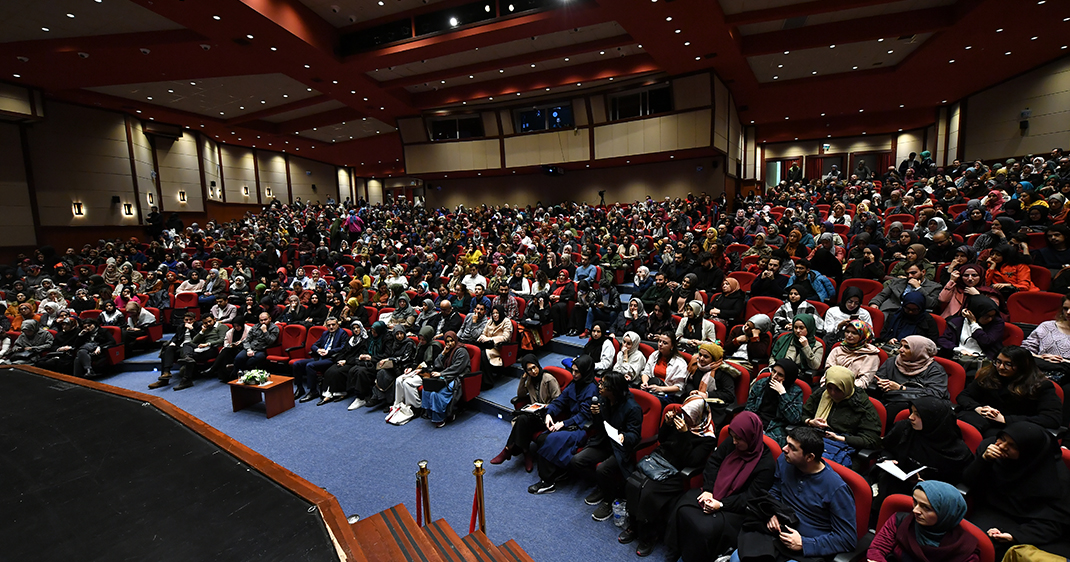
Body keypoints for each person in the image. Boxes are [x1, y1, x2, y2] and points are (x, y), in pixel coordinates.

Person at [730, 426, 857, 562]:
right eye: (787, 444)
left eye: (792, 448)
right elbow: (776, 490)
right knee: (736, 559)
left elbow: (847, 539)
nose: (784, 449)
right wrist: (771, 512)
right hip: (778, 532)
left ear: (809, 457)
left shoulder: (836, 488)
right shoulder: (785, 461)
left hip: (808, 546)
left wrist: (805, 544)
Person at [619, 396, 720, 557]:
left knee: (648, 492)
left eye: (688, 416)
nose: (684, 417)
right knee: (633, 482)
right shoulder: (679, 420)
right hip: (658, 460)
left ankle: (649, 535)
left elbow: (692, 461)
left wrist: (685, 434)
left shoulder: (707, 438)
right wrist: (667, 424)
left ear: (697, 417)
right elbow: (662, 439)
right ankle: (634, 525)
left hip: (677, 471)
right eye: (683, 413)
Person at [961, 422, 1070, 560]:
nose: (1002, 446)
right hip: (993, 509)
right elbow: (969, 481)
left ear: (1027, 452)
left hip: (1033, 524)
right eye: (1002, 438)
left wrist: (1015, 535)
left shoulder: (1057, 478)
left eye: (1013, 446)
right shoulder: (991, 451)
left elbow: (1056, 522)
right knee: (968, 543)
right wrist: (984, 461)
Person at [872, 399, 974, 514]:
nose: (911, 417)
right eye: (912, 412)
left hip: (930, 497)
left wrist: (928, 484)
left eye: (918, 415)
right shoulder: (904, 428)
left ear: (932, 420)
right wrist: (887, 459)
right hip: (896, 481)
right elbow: (886, 448)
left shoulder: (956, 451)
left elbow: (957, 481)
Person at [528, 355, 600, 495]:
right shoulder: (574, 383)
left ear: (585, 371)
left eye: (577, 371)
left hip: (583, 428)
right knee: (542, 438)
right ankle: (559, 471)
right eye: (572, 370)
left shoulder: (592, 389)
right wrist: (549, 413)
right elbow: (560, 401)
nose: (573, 374)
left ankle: (547, 482)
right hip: (570, 422)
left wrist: (563, 423)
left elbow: (584, 415)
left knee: (550, 439)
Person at [578, 371, 643, 522]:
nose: (599, 386)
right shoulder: (603, 400)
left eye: (603, 384)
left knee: (603, 469)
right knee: (578, 461)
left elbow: (635, 435)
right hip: (604, 442)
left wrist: (624, 436)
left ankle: (609, 499)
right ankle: (602, 487)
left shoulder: (632, 408)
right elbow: (599, 426)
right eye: (600, 382)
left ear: (613, 389)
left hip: (620, 447)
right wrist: (596, 415)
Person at [956, 345, 1062, 437]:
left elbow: (1051, 419)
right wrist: (978, 408)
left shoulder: (1041, 386)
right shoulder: (989, 375)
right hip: (983, 419)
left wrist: (1005, 419)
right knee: (962, 425)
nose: (1001, 367)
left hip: (1013, 427)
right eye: (998, 362)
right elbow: (964, 396)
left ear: (1022, 366)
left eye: (1008, 364)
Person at [866, 481, 979, 562]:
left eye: (926, 508)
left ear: (945, 514)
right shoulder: (900, 521)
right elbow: (876, 550)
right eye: (915, 502)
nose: (915, 510)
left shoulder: (964, 549)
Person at [489, 354, 562, 471]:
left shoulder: (549, 379)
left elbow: (559, 400)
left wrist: (545, 406)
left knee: (522, 420)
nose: (533, 371)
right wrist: (523, 379)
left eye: (534, 367)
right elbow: (521, 395)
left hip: (548, 415)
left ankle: (509, 450)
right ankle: (525, 451)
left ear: (538, 365)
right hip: (534, 414)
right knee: (523, 420)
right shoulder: (530, 380)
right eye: (529, 370)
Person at [802, 366, 882, 468]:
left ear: (847, 387)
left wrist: (840, 438)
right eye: (829, 388)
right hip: (816, 438)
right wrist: (810, 421)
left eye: (838, 390)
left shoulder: (861, 405)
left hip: (845, 448)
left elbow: (872, 440)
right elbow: (803, 414)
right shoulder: (822, 394)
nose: (832, 393)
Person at [870, 336, 948, 422]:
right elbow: (878, 377)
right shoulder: (892, 361)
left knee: (894, 409)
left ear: (919, 351)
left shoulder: (935, 369)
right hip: (888, 397)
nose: (900, 350)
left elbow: (935, 393)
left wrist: (901, 388)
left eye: (906, 347)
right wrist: (882, 383)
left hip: (915, 404)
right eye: (901, 346)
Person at [746, 359, 804, 446]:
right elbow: (749, 409)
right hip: (756, 421)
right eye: (773, 371)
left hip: (776, 428)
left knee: (761, 443)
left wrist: (782, 394)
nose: (774, 376)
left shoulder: (796, 392)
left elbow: (795, 419)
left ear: (788, 378)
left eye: (780, 375)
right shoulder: (761, 384)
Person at [419, 330, 471, 428]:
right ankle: (430, 414)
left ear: (455, 340)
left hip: (456, 378)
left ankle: (440, 418)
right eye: (447, 341)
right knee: (427, 389)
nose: (449, 344)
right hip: (445, 376)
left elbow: (457, 368)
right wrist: (443, 353)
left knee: (436, 394)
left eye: (451, 341)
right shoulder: (447, 350)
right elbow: (437, 364)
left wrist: (441, 373)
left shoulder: (461, 351)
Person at [293, 317, 348, 402]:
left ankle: (313, 391)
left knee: (310, 365)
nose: (331, 327)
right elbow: (314, 345)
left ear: (338, 325)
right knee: (297, 364)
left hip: (331, 359)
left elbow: (343, 348)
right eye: (329, 325)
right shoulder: (325, 333)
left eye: (333, 325)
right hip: (320, 357)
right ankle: (300, 388)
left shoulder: (342, 333)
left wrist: (328, 352)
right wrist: (318, 350)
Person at [937, 295, 1005, 363]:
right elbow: (943, 340)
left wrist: (973, 323)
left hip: (983, 360)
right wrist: (959, 349)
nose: (990, 319)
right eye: (986, 316)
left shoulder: (997, 324)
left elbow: (986, 341)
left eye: (993, 316)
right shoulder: (957, 322)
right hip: (959, 357)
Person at [823, 320, 882, 388]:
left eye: (854, 333)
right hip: (829, 386)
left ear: (863, 336)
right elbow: (828, 373)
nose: (849, 335)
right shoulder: (837, 350)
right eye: (847, 331)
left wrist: (841, 386)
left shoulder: (871, 356)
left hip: (852, 390)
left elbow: (863, 382)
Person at [869, 264, 943, 315]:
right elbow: (882, 295)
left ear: (923, 272)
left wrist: (918, 288)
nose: (910, 276)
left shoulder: (935, 287)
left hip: (914, 314)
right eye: (907, 274)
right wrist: (874, 303)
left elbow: (931, 304)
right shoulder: (896, 282)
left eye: (913, 273)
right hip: (891, 310)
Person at [638, 330, 689, 404]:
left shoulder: (680, 363)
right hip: (651, 388)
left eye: (665, 343)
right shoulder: (654, 355)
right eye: (659, 341)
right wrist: (645, 383)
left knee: (648, 402)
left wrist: (660, 389)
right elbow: (646, 373)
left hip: (667, 394)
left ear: (672, 346)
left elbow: (679, 387)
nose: (660, 344)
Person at [771, 314, 824, 380]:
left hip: (799, 376)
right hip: (778, 372)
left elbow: (815, 366)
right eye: (795, 327)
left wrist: (806, 347)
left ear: (809, 328)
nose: (798, 331)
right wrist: (773, 368)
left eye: (801, 328)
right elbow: (773, 357)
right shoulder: (784, 339)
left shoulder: (818, 346)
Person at [228, 311, 278, 381]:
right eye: (261, 320)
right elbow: (247, 340)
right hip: (250, 348)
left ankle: (244, 375)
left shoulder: (274, 328)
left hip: (262, 349)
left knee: (251, 361)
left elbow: (270, 342)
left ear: (270, 319)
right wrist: (249, 349)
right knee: (238, 358)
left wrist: (265, 331)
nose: (263, 322)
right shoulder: (255, 327)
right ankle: (234, 378)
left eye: (265, 320)